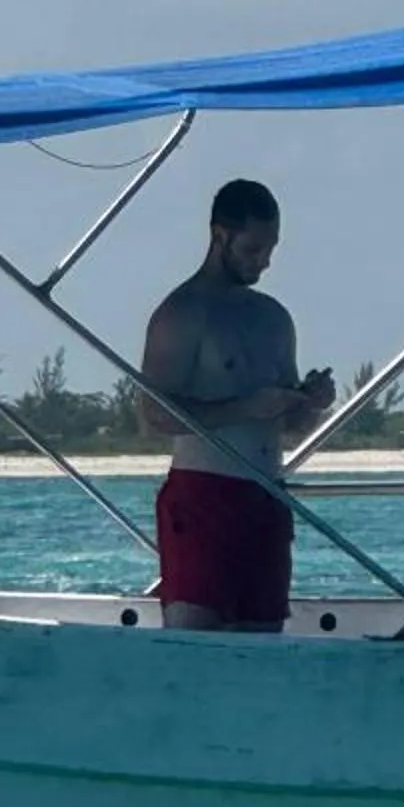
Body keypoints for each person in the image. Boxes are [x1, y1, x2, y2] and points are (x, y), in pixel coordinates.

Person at [139, 179, 334, 631]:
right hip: (204, 495)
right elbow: (154, 415)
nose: (263, 262)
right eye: (252, 250)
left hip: (265, 496)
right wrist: (245, 407)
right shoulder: (181, 313)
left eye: (270, 249)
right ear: (220, 236)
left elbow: (288, 427)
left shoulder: (273, 317)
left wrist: (311, 404)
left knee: (262, 636)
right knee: (196, 640)